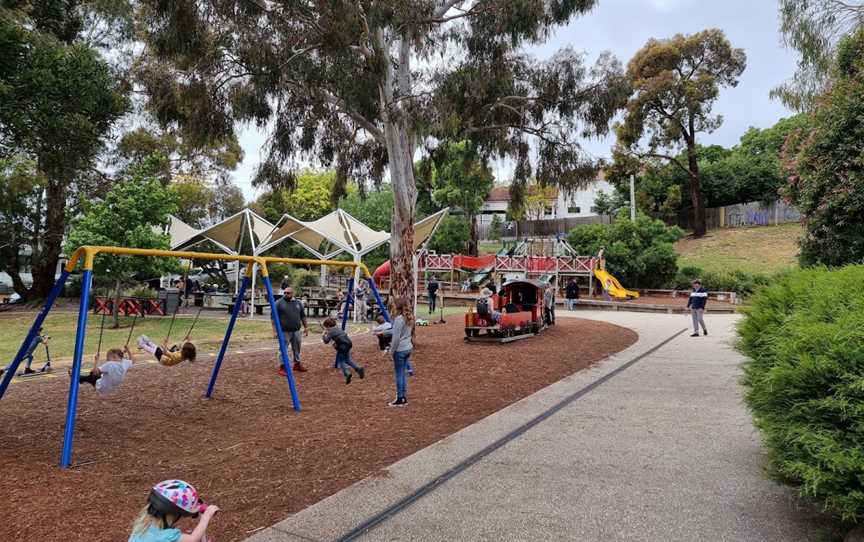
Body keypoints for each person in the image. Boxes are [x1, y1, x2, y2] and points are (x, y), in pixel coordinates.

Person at [128, 479, 219, 542]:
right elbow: (193, 539)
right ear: (173, 514)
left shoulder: (143, 525)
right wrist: (206, 516)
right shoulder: (166, 536)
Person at [274, 287, 309, 374]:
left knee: (297, 348)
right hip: (284, 331)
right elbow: (273, 318)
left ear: (293, 293)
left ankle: (297, 364)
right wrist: (274, 331)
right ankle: (282, 367)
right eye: (285, 293)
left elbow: (303, 316)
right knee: (283, 349)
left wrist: (306, 327)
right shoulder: (278, 303)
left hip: (296, 331)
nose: (286, 294)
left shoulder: (298, 303)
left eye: (288, 293)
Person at [322, 317, 365, 384]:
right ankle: (358, 368)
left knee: (341, 361)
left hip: (342, 346)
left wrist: (323, 335)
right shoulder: (338, 329)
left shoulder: (330, 332)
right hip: (348, 343)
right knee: (347, 359)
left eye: (326, 327)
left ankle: (347, 373)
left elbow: (326, 341)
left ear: (327, 326)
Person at [389, 297, 414, 407]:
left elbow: (395, 338)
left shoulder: (399, 319)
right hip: (408, 347)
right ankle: (403, 396)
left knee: (399, 373)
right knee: (402, 373)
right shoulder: (409, 318)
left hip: (400, 350)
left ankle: (400, 398)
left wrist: (391, 351)